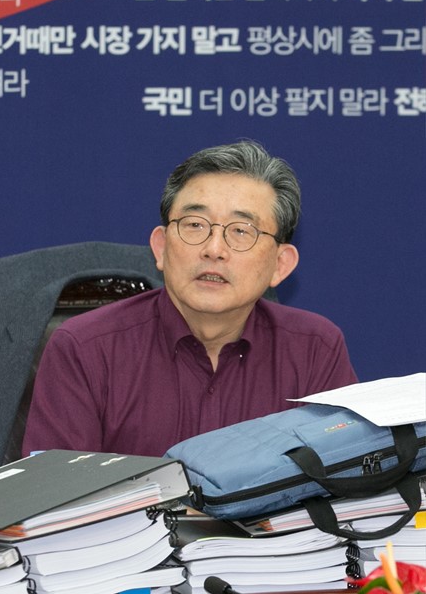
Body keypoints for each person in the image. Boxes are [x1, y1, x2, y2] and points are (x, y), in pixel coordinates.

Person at [22, 140, 358, 457]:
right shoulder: (84, 349)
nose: (214, 249)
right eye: (195, 225)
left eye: (241, 231)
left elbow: (344, 477)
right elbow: (54, 492)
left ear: (280, 264)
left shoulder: (314, 349)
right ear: (161, 247)